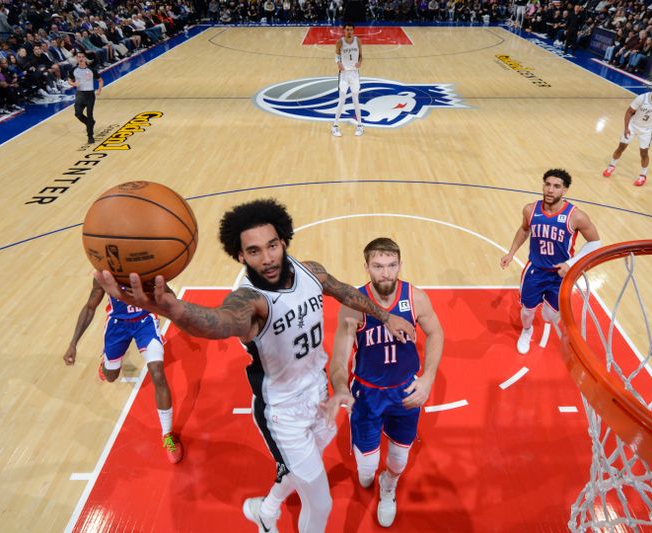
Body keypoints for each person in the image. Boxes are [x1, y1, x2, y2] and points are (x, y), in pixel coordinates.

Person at [93, 198, 416, 533]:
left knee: (301, 468)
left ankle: (266, 509)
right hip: (282, 411)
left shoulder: (311, 272)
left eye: (272, 246)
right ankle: (268, 511)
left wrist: (385, 315)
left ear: (284, 242)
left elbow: (345, 291)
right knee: (320, 503)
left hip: (318, 394)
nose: (267, 258)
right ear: (240, 256)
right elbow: (218, 322)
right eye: (254, 251)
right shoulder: (250, 300)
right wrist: (175, 311)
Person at [325, 238, 444, 528]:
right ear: (366, 267)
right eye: (378, 266)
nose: (386, 273)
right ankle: (374, 475)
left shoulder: (415, 297)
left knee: (399, 460)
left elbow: (436, 333)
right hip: (367, 394)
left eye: (392, 265)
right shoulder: (354, 304)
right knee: (365, 468)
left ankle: (388, 487)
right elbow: (339, 359)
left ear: (400, 265)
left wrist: (427, 379)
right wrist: (340, 386)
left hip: (405, 391)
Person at [63, 279, 183, 463]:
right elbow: (89, 307)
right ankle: (107, 363)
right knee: (111, 376)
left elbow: (169, 295)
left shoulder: (147, 267)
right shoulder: (104, 273)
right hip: (117, 325)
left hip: (145, 322)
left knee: (158, 373)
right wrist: (73, 344)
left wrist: (182, 319)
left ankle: (167, 434)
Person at [499, 169, 601, 354]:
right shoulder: (531, 209)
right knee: (528, 311)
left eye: (556, 186)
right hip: (535, 271)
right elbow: (524, 230)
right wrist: (511, 253)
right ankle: (527, 331)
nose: (550, 190)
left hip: (561, 275)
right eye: (547, 184)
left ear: (565, 191)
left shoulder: (576, 216)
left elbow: (595, 242)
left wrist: (572, 262)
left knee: (549, 315)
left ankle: (549, 308)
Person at [602, 78, 652, 187]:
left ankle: (643, 176)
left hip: (647, 130)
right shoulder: (642, 98)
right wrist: (626, 128)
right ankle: (611, 166)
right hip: (633, 126)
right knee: (621, 147)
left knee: (644, 153)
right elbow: (629, 112)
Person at [332, 23, 364, 137]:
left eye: (351, 30)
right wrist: (338, 62)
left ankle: (360, 125)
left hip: (355, 74)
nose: (349, 31)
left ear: (353, 31)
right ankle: (335, 126)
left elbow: (361, 55)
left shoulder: (358, 41)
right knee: (341, 101)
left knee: (356, 101)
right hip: (344, 74)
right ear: (344, 31)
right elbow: (336, 55)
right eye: (347, 30)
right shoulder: (340, 42)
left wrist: (360, 62)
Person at [67, 52, 103, 144]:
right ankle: (89, 123)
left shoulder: (91, 70)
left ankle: (90, 136)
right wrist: (74, 84)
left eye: (82, 57)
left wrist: (99, 90)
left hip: (90, 94)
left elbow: (100, 80)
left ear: (85, 58)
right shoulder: (73, 70)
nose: (81, 58)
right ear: (77, 59)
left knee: (89, 114)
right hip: (80, 94)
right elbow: (69, 80)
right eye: (79, 57)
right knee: (78, 114)